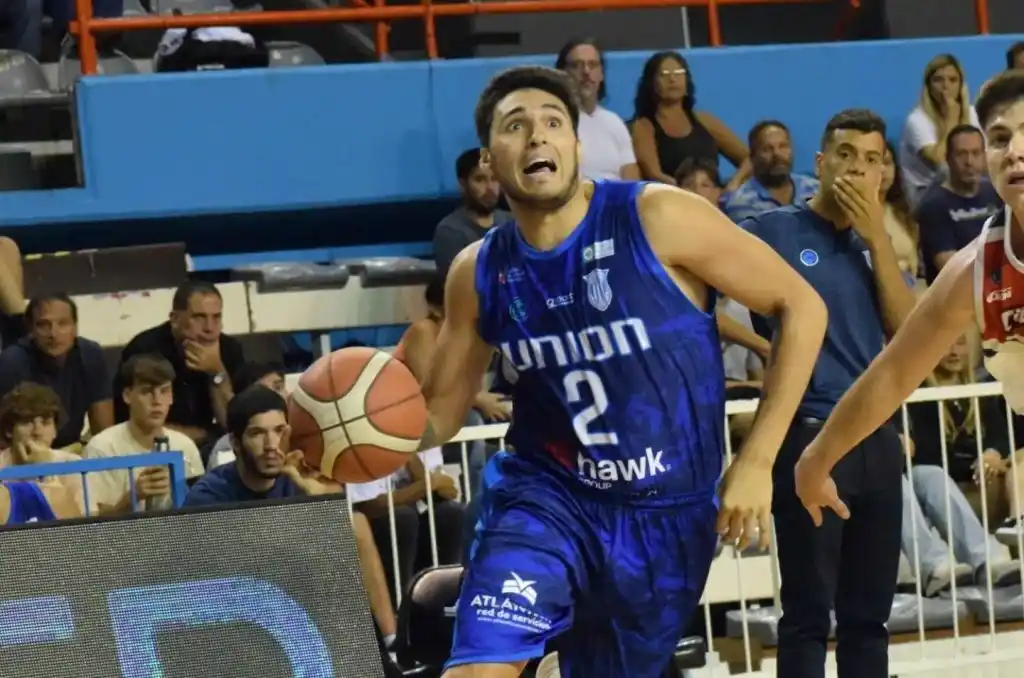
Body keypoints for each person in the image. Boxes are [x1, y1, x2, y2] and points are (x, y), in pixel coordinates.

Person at [419, 66, 828, 678]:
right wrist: (346, 436)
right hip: (543, 498)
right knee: (480, 671)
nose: (537, 137)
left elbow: (802, 306)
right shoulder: (478, 272)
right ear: (489, 157)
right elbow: (437, 417)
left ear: (577, 147)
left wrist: (757, 459)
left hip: (664, 514)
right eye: (516, 126)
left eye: (553, 123)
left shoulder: (658, 217)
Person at [795, 71, 1024, 592]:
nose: (1015, 151)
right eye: (1001, 138)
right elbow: (896, 369)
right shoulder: (977, 265)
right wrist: (817, 457)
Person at [742, 108, 917, 678]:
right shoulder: (772, 232)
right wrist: (766, 348)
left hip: (878, 441)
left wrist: (878, 242)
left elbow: (908, 332)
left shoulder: (880, 246)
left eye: (871, 160)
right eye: (846, 155)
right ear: (821, 163)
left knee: (870, 619)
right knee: (808, 616)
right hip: (809, 437)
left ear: (883, 173)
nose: (858, 170)